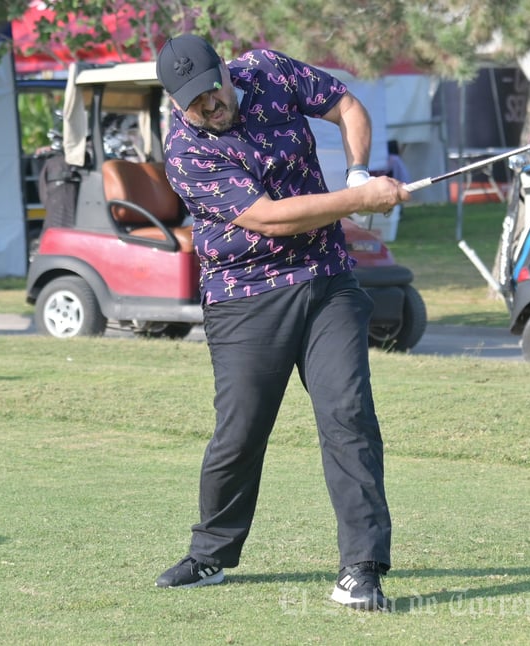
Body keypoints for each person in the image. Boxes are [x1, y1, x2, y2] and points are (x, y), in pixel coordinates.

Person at [153, 34, 409, 612]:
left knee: (349, 415)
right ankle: (212, 552)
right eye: (193, 101)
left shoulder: (268, 70)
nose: (209, 106)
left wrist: (356, 172)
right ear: (175, 103)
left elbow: (345, 105)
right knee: (240, 432)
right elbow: (268, 219)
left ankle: (361, 569)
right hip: (245, 296)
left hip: (327, 281)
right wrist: (358, 201)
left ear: (225, 69)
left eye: (212, 90)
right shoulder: (187, 149)